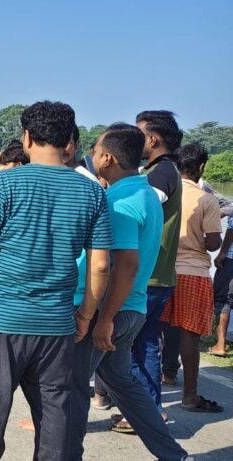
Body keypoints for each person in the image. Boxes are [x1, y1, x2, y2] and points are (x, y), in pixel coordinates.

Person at [0, 101, 112, 460]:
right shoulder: (91, 192)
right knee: (55, 422)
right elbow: (101, 266)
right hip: (56, 327)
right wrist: (86, 315)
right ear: (70, 141)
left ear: (26, 138)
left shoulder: (2, 184)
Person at [69, 123, 187, 460]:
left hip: (110, 311)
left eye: (94, 150)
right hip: (132, 309)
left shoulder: (118, 201)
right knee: (125, 386)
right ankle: (172, 454)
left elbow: (124, 265)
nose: (91, 156)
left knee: (73, 389)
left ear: (106, 157)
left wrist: (102, 317)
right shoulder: (145, 192)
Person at [127, 110, 183, 425]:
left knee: (133, 345)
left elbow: (139, 210)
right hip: (158, 273)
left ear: (152, 139)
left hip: (150, 273)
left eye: (138, 135)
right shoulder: (166, 170)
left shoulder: (161, 172)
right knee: (145, 342)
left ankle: (146, 411)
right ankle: (149, 409)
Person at [160, 142, 223, 413]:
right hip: (194, 272)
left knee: (154, 332)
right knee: (189, 335)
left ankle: (156, 390)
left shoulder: (167, 192)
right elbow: (212, 244)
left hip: (163, 269)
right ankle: (189, 395)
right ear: (201, 167)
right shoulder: (206, 199)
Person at [211, 215, 233, 356]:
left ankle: (220, 344)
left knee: (223, 299)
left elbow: (231, 229)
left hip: (231, 259)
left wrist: (222, 253)